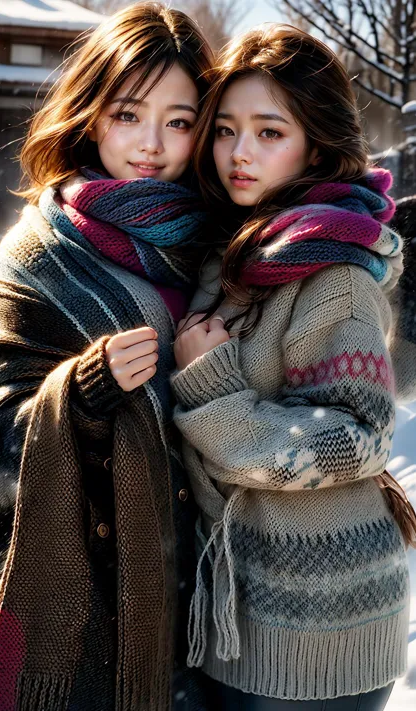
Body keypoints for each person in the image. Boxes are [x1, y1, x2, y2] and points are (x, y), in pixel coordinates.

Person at [0, 4, 215, 710]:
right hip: (86, 596)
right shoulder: (39, 252)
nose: (152, 143)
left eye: (180, 121)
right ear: (92, 113)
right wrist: (81, 393)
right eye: (128, 113)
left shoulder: (221, 247)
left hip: (214, 596)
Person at [172, 24, 415, 711]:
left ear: (316, 144)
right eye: (224, 129)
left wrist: (213, 388)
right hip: (243, 617)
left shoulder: (334, 279)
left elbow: (358, 439)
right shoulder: (238, 259)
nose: (238, 153)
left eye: (268, 131)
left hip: (323, 630)